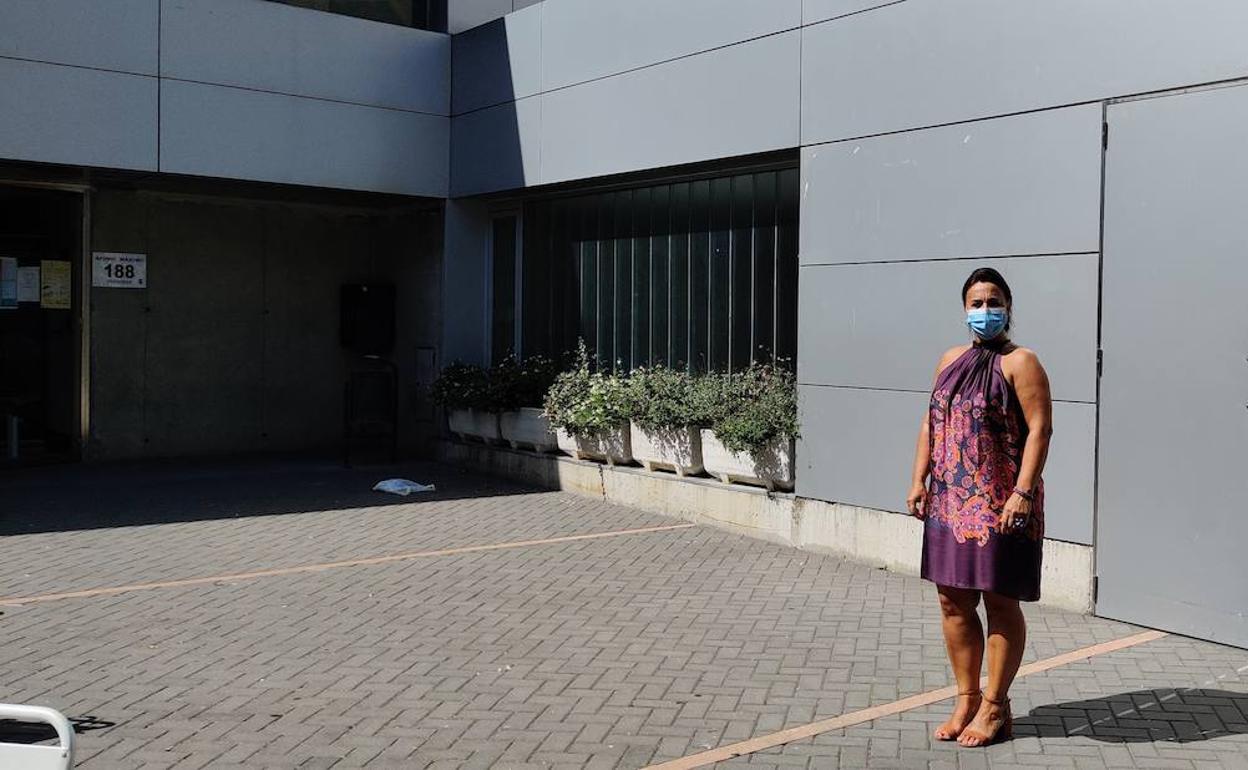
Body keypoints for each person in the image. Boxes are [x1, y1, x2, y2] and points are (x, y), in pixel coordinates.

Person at [906, 267, 1053, 747]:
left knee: (1000, 601)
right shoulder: (949, 360)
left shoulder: (1022, 362)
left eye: (993, 302)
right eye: (976, 303)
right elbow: (931, 422)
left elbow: (1040, 430)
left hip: (1001, 505)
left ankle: (995, 706)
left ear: (1008, 307)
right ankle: (966, 698)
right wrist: (918, 479)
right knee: (952, 601)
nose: (985, 310)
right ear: (964, 309)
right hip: (949, 502)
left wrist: (1022, 493)